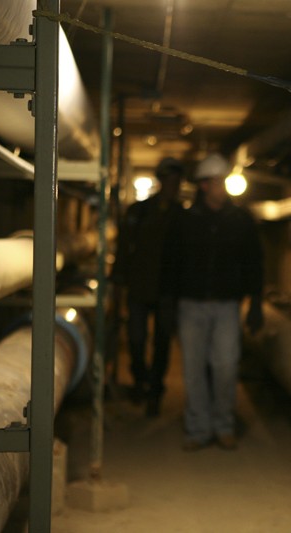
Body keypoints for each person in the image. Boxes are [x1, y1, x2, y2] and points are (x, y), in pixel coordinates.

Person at [165, 152, 264, 451]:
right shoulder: (185, 221)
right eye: (219, 182)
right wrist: (168, 304)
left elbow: (254, 263)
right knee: (193, 369)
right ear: (205, 185)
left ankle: (223, 425)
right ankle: (198, 429)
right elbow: (171, 265)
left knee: (225, 366)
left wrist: (256, 303)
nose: (224, 187)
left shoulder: (241, 220)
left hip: (226, 306)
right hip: (191, 305)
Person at [111, 156, 184, 417]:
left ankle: (155, 390)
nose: (173, 185)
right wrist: (118, 283)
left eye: (177, 181)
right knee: (136, 339)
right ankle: (140, 378)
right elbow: (123, 250)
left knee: (163, 342)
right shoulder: (138, 212)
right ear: (161, 181)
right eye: (169, 180)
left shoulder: (182, 216)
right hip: (140, 288)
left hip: (167, 290)